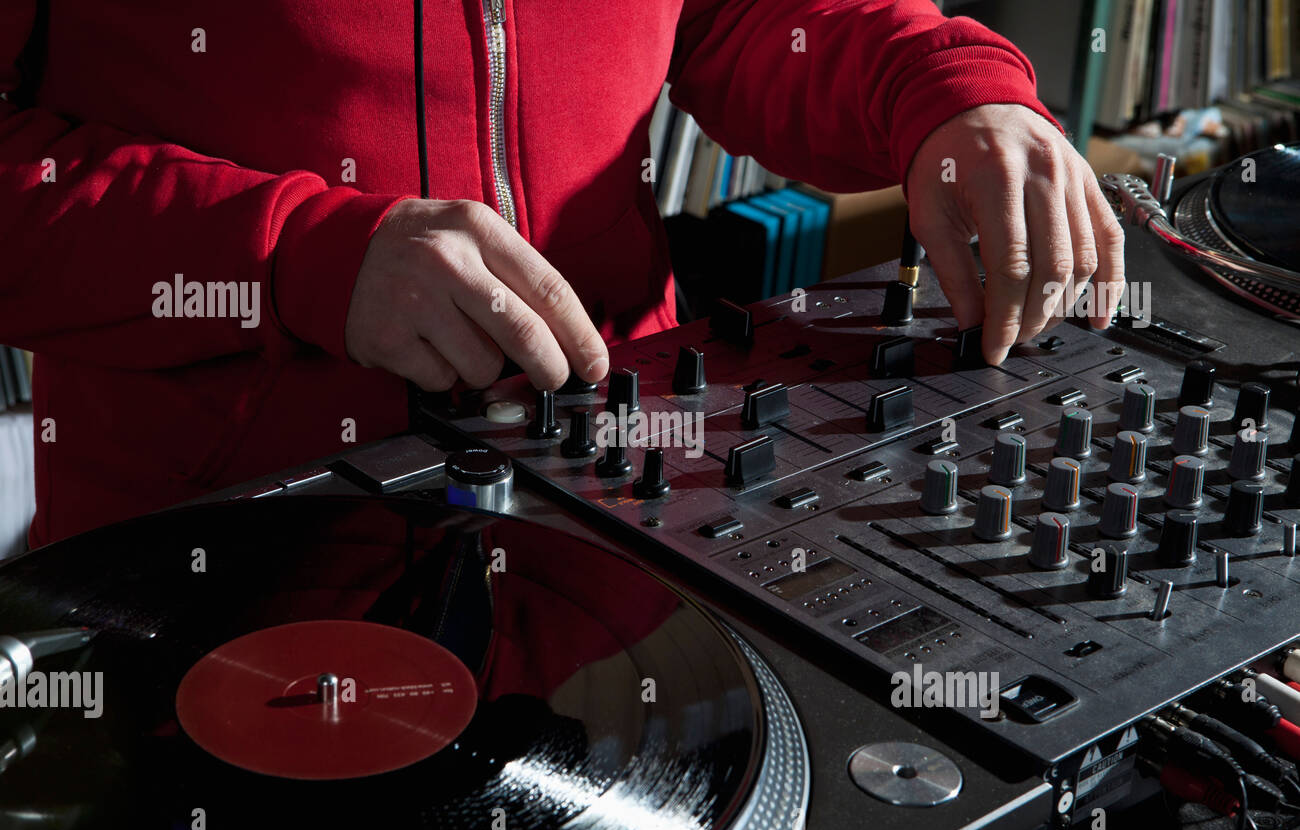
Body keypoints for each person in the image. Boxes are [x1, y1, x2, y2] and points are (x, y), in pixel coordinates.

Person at [0, 0, 1123, 548]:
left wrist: (938, 89)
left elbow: (740, 18)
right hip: (220, 548)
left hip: (627, 490)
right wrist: (294, 253)